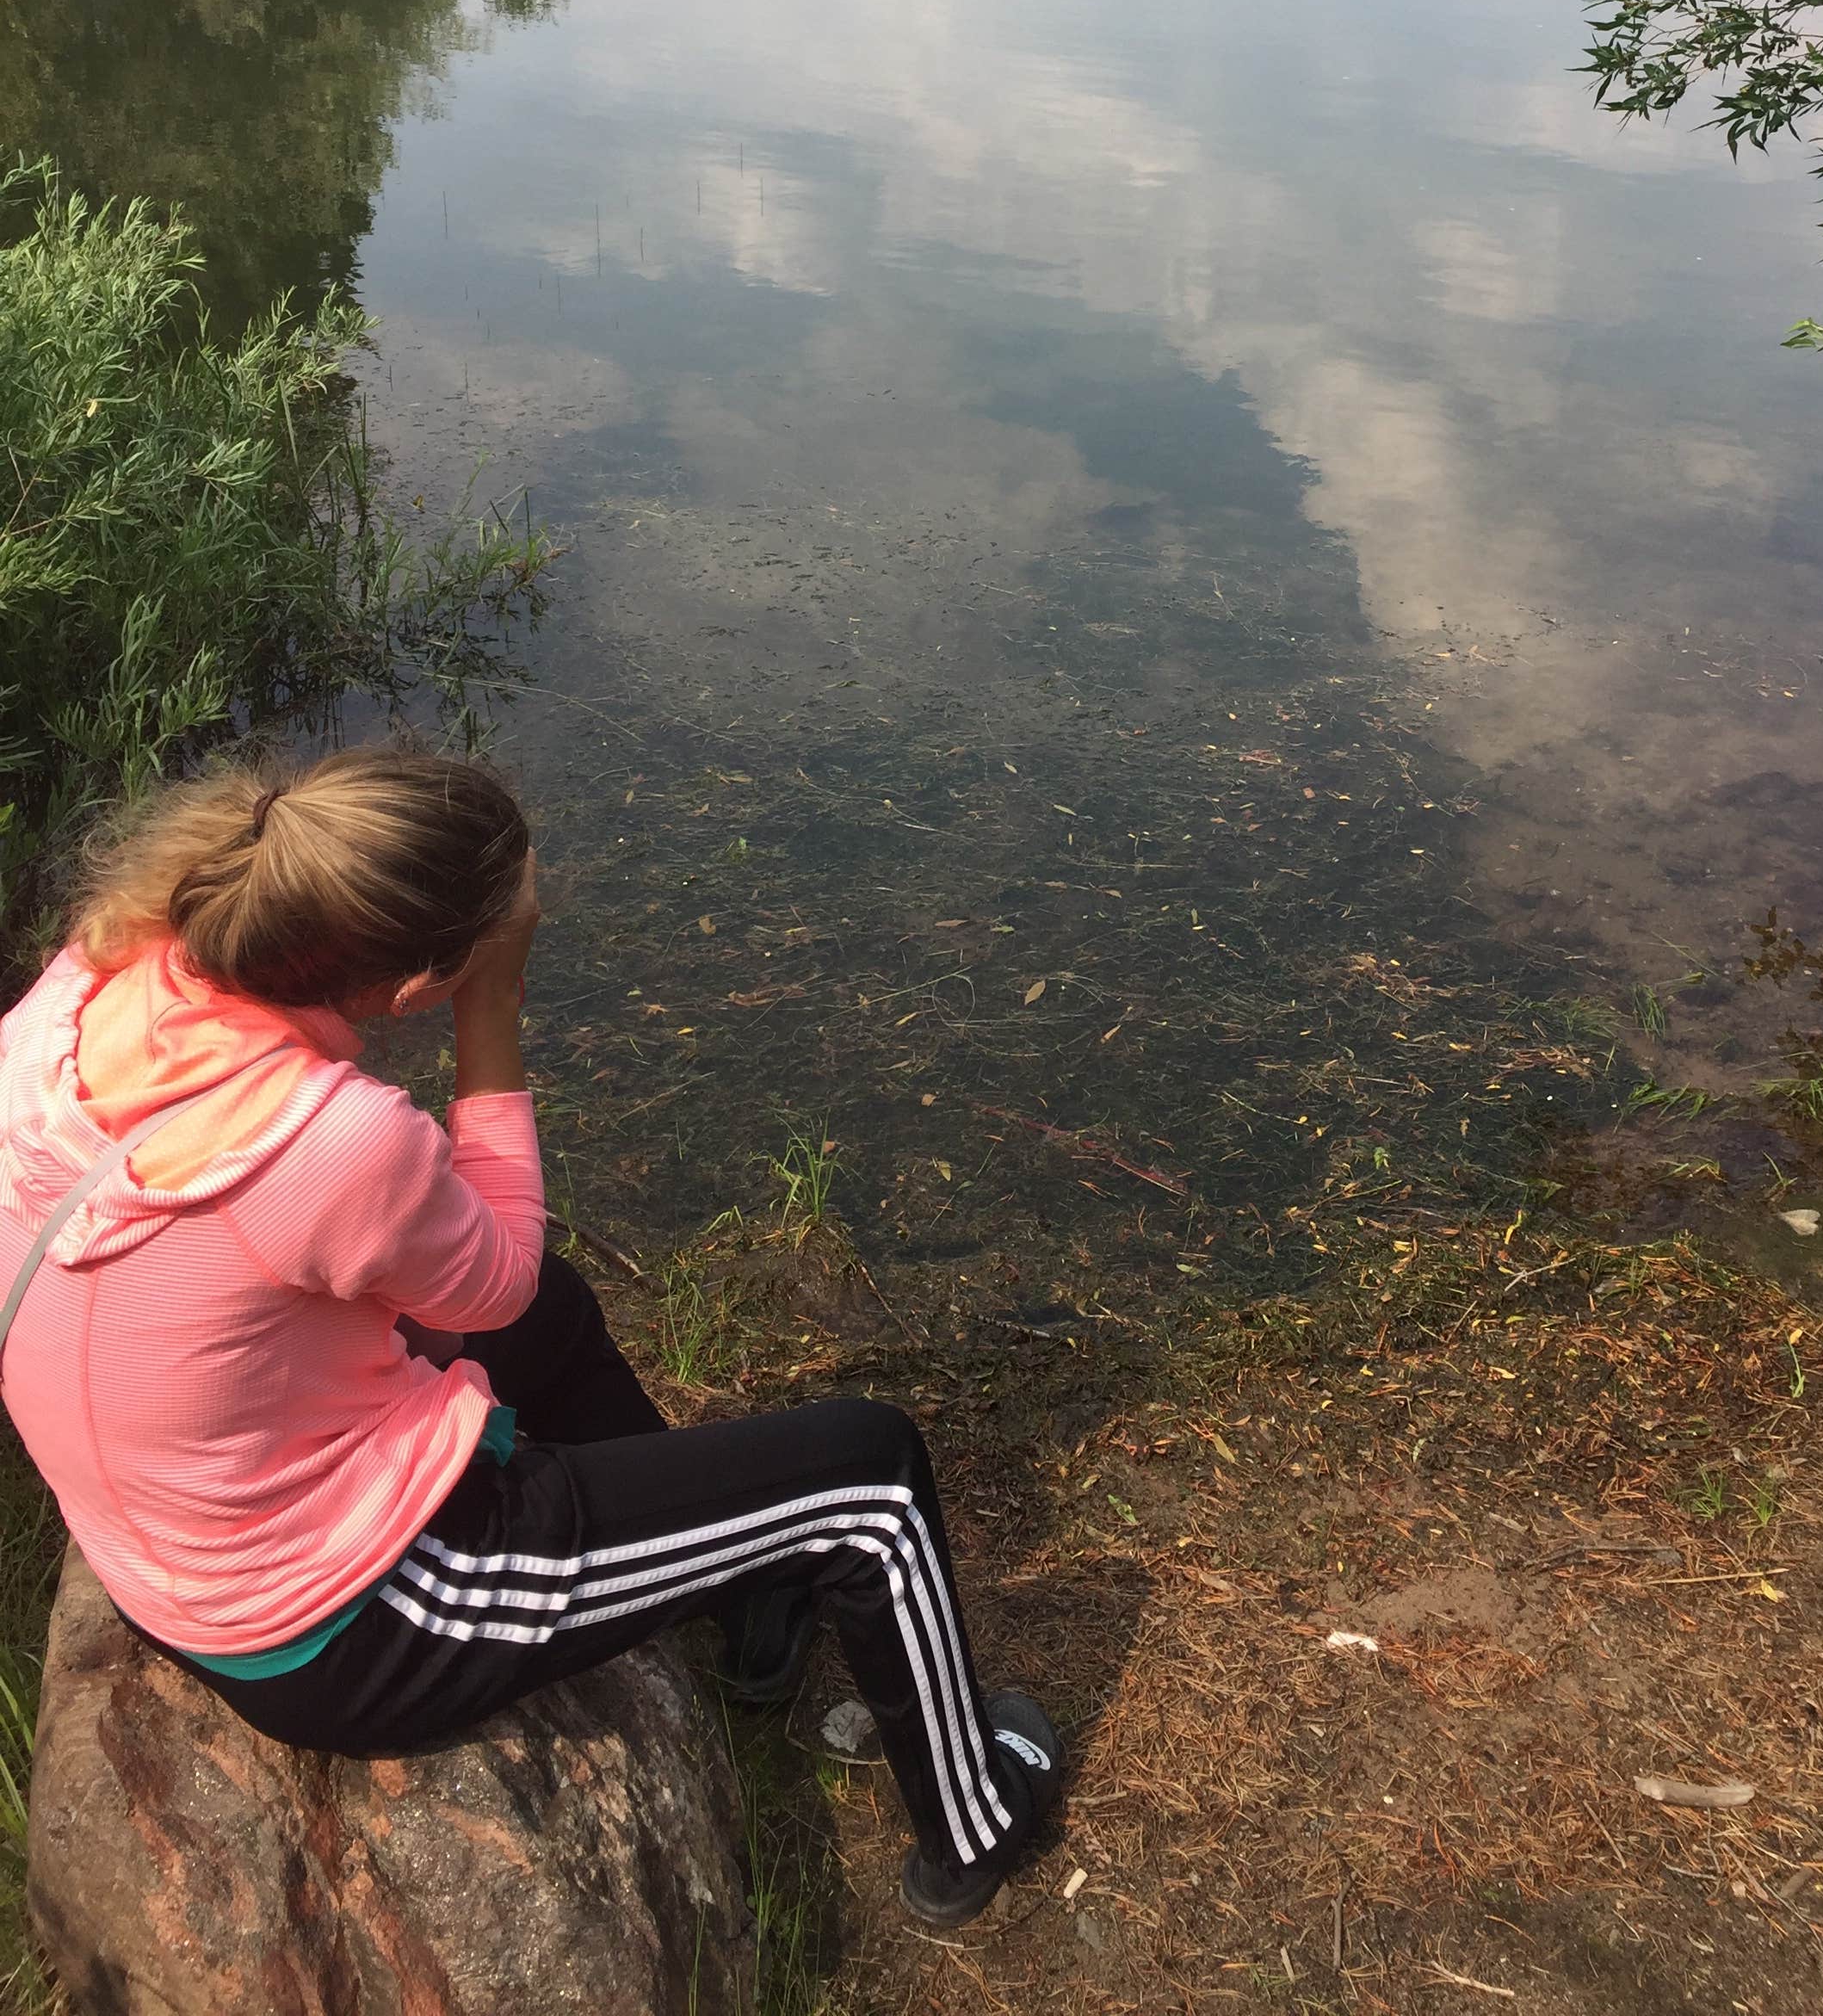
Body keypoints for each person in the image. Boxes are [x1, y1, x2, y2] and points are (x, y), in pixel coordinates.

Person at [0, 745, 1059, 1927]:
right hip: (350, 1621)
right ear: (416, 984)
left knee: (553, 1305)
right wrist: (493, 1007)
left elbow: (492, 1295)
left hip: (172, 1530)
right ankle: (975, 1829)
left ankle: (750, 1605)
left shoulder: (85, 985)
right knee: (871, 1476)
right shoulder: (332, 1138)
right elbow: (486, 1287)